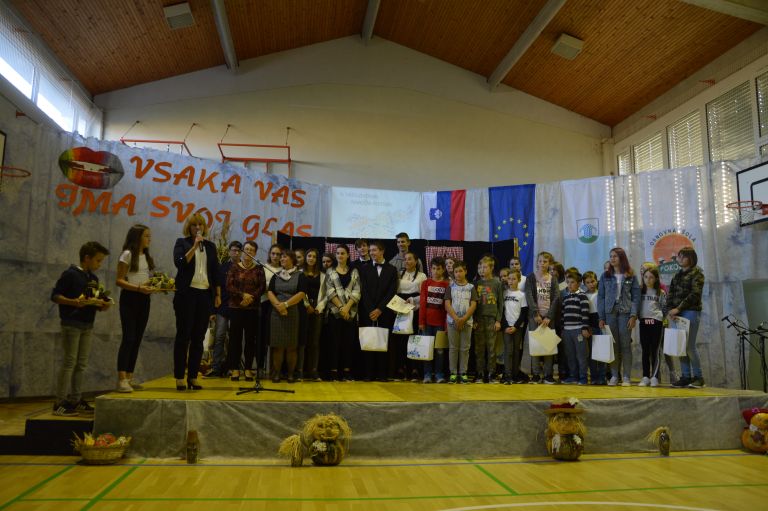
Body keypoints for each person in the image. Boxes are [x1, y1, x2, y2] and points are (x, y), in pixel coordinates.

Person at [51, 241, 111, 416]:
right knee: (69, 362)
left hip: (87, 324)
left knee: (81, 364)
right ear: (87, 258)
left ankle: (75, 399)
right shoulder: (70, 274)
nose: (99, 265)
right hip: (71, 324)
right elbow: (55, 296)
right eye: (98, 261)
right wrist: (73, 302)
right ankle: (59, 402)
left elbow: (93, 299)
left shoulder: (93, 278)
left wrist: (102, 304)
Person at [172, 214, 221, 391]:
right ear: (189, 227)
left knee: (199, 338)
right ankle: (179, 376)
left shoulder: (210, 246)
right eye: (194, 225)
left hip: (204, 294)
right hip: (187, 294)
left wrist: (217, 294)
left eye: (200, 224)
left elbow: (215, 271)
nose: (197, 227)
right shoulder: (182, 243)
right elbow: (179, 263)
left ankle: (193, 376)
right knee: (183, 336)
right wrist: (193, 247)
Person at [115, 224, 155, 393]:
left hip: (144, 299)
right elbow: (119, 280)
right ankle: (122, 378)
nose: (149, 239)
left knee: (137, 339)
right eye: (146, 236)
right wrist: (139, 288)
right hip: (130, 299)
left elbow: (144, 279)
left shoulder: (146, 256)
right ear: (138, 237)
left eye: (149, 236)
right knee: (129, 338)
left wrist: (153, 285)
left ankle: (130, 377)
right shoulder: (127, 254)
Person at [597, 247, 640, 387]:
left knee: (625, 345)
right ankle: (615, 375)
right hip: (610, 312)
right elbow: (601, 297)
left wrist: (633, 315)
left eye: (615, 256)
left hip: (625, 312)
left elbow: (636, 297)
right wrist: (601, 317)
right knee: (613, 344)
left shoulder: (631, 275)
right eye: (611, 256)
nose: (612, 258)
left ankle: (627, 376)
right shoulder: (605, 276)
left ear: (622, 257)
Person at [666, 246, 706, 388]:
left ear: (691, 258)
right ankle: (686, 376)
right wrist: (670, 310)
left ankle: (698, 377)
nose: (680, 259)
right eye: (679, 256)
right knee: (680, 345)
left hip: (690, 311)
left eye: (683, 256)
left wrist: (678, 308)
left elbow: (695, 295)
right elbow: (670, 294)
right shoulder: (677, 275)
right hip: (676, 313)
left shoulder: (697, 274)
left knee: (689, 346)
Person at [359, 240, 399, 381]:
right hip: (367, 312)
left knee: (383, 341)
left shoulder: (392, 269)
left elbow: (391, 292)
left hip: (384, 312)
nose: (372, 253)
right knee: (368, 341)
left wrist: (380, 309)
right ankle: (368, 374)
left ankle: (382, 374)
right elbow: (363, 291)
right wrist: (371, 309)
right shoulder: (364, 269)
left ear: (382, 251)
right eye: (370, 251)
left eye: (374, 250)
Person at [226, 240, 266, 382]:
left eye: (251, 250)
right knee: (235, 340)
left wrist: (250, 298)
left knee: (250, 340)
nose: (248, 252)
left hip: (252, 308)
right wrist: (242, 296)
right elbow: (229, 286)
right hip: (236, 307)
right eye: (246, 249)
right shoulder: (234, 267)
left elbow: (262, 287)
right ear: (242, 251)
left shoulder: (259, 269)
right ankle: (235, 368)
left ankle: (248, 368)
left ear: (255, 253)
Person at [267, 249, 307, 383]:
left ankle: (290, 374)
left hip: (293, 312)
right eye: (281, 258)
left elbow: (301, 293)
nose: (281, 259)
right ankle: (277, 373)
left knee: (291, 346)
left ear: (292, 260)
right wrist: (278, 305)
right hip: (277, 313)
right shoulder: (276, 275)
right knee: (278, 345)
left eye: (284, 257)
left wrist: (286, 305)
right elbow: (270, 292)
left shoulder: (300, 276)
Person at [203, 240, 242, 378]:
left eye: (238, 250)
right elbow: (216, 287)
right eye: (233, 250)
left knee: (234, 338)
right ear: (229, 251)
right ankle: (216, 367)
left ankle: (232, 367)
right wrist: (213, 310)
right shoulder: (222, 267)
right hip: (223, 306)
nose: (236, 253)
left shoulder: (244, 268)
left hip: (238, 307)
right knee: (219, 336)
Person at [524, 251, 560, 384]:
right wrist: (535, 314)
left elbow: (556, 297)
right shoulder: (531, 278)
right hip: (535, 318)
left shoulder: (553, 279)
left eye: (545, 261)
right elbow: (529, 296)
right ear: (537, 262)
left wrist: (549, 316)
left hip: (548, 318)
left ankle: (548, 375)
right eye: (540, 261)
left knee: (548, 346)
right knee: (535, 345)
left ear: (549, 263)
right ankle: (536, 375)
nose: (542, 264)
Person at [326, 244, 361, 381]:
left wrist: (347, 308)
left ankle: (346, 371)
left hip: (350, 313)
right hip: (335, 313)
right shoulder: (330, 271)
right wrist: (341, 308)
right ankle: (334, 371)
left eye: (343, 253)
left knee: (348, 343)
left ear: (348, 255)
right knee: (334, 343)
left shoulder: (354, 271)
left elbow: (357, 291)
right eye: (338, 253)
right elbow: (330, 292)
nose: (340, 255)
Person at [390, 251, 426, 381]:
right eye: (405, 259)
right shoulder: (399, 274)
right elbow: (394, 291)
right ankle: (401, 368)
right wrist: (398, 305)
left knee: (413, 338)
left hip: (415, 309)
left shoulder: (422, 276)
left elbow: (424, 295)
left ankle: (415, 369)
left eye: (410, 259)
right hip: (401, 309)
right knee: (400, 340)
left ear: (416, 261)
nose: (407, 261)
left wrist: (412, 300)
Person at [445, 261, 478, 384]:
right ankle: (453, 373)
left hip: (467, 322)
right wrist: (455, 318)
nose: (458, 274)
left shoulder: (471, 287)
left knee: (465, 348)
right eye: (456, 272)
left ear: (465, 271)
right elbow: (447, 304)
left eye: (460, 271)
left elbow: (474, 304)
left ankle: (463, 372)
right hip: (452, 322)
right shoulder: (450, 287)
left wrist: (464, 318)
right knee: (453, 348)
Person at [419, 257, 449, 383]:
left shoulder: (447, 284)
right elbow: (422, 303)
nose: (436, 271)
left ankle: (439, 374)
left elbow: (448, 306)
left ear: (443, 270)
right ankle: (427, 374)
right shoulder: (426, 283)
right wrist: (421, 321)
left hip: (440, 323)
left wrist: (446, 325)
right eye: (434, 268)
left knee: (440, 351)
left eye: (438, 269)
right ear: (430, 269)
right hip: (427, 323)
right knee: (427, 348)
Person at [473, 257, 503, 383]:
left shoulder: (497, 283)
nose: (482, 270)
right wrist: (473, 319)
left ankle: (491, 373)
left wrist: (498, 320)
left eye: (485, 267)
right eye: (480, 267)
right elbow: (472, 304)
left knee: (491, 349)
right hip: (479, 320)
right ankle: (480, 373)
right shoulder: (476, 284)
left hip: (492, 319)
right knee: (479, 348)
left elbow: (500, 303)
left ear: (491, 268)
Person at [560, 270, 592, 385]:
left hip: (578, 330)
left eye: (572, 282)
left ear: (578, 283)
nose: (569, 284)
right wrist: (563, 329)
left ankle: (583, 377)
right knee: (570, 355)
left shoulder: (582, 296)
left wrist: (584, 328)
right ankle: (573, 376)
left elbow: (585, 312)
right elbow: (563, 314)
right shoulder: (566, 297)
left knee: (581, 355)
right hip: (567, 331)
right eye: (568, 282)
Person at [301, 248, 327, 381]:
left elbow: (325, 294)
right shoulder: (300, 273)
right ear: (305, 258)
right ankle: (301, 370)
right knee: (302, 340)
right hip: (303, 309)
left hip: (317, 310)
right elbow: (299, 291)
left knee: (315, 342)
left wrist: (319, 307)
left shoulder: (323, 275)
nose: (311, 258)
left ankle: (313, 370)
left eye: (314, 257)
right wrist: (307, 306)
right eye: (309, 256)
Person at [639, 266, 665, 387]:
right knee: (645, 350)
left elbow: (664, 308)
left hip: (656, 323)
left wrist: (662, 319)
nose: (648, 280)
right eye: (646, 277)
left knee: (655, 350)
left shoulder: (660, 292)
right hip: (644, 323)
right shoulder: (639, 291)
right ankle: (645, 376)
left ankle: (654, 376)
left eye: (651, 277)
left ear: (655, 279)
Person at [259, 244, 283, 377]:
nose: (275, 256)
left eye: (278, 254)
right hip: (264, 303)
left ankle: (275, 369)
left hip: (279, 305)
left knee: (275, 338)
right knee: (262, 337)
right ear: (269, 254)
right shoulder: (263, 267)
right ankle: (261, 367)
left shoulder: (284, 269)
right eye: (273, 253)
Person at [501, 270, 528, 384]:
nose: (511, 281)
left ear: (519, 280)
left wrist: (516, 326)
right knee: (508, 351)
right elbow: (501, 311)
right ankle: (507, 375)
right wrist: (506, 326)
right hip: (507, 327)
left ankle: (515, 374)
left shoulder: (522, 295)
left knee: (516, 350)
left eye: (514, 279)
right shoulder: (504, 293)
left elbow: (523, 313)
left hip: (518, 327)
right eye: (509, 279)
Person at [582, 271, 606, 385]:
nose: (591, 284)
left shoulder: (601, 294)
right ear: (584, 284)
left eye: (593, 281)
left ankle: (602, 377)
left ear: (596, 281)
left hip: (601, 325)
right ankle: (594, 376)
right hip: (590, 326)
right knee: (591, 353)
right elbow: (585, 314)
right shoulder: (584, 296)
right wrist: (586, 327)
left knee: (602, 352)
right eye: (588, 282)